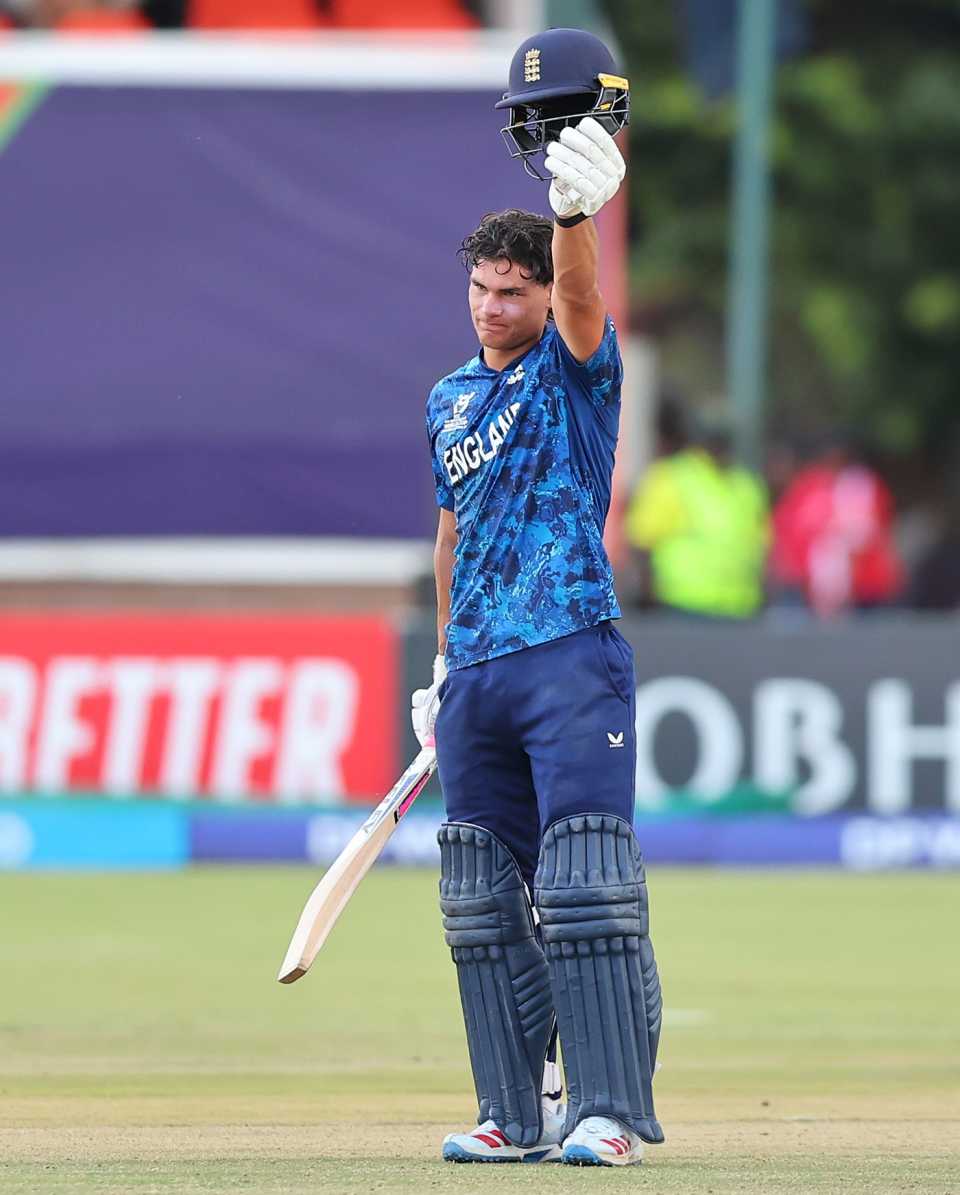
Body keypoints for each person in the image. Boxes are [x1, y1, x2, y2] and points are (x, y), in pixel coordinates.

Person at [410, 28, 663, 1169]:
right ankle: (512, 1111)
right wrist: (440, 659)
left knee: (586, 882)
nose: (492, 310)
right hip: (479, 670)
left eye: (509, 292)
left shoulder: (575, 364)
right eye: (479, 290)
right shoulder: (450, 400)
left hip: (570, 651)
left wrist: (573, 218)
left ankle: (606, 1112)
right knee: (477, 893)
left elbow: (576, 298)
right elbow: (452, 527)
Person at [624, 399, 770, 619]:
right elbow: (641, 541)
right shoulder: (670, 477)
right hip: (682, 605)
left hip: (740, 606)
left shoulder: (746, 484)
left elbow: (760, 546)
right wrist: (647, 593)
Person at [770, 435, 903, 618]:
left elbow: (875, 532)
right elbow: (788, 532)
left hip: (865, 589)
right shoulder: (807, 489)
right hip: (811, 591)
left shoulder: (863, 485)